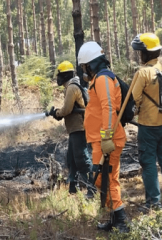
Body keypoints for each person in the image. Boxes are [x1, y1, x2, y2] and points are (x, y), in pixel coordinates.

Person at [77, 41, 129, 233]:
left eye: (85, 67)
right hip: (101, 139)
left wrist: (107, 136)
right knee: (104, 179)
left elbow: (108, 107)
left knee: (104, 179)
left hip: (108, 139)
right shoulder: (99, 78)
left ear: (91, 64)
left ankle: (121, 221)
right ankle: (115, 218)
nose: (85, 71)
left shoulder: (103, 79)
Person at [131, 33, 162, 210]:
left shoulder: (143, 73)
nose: (139, 55)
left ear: (146, 54)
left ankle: (153, 202)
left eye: (140, 52)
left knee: (149, 162)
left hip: (148, 126)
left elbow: (133, 99)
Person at [47, 60, 94, 199]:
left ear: (66, 75)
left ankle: (92, 189)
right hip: (75, 128)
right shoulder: (72, 85)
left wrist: (57, 113)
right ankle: (73, 187)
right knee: (71, 159)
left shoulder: (72, 87)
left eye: (60, 75)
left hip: (79, 127)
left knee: (82, 159)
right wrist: (57, 113)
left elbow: (67, 109)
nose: (58, 78)